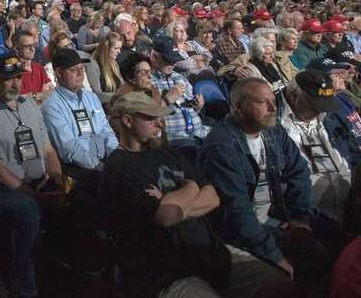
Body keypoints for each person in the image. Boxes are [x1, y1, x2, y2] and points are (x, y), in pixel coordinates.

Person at [101, 92, 296, 298]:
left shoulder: (169, 153)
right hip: (164, 271)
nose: (160, 124)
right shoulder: (119, 168)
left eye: (159, 117)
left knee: (281, 285)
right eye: (150, 118)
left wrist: (180, 199)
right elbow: (166, 216)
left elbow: (212, 198)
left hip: (211, 254)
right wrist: (191, 188)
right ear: (127, 120)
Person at [197, 78, 331, 289]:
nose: (272, 107)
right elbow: (237, 212)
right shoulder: (221, 146)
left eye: (272, 100)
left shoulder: (272, 131)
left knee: (323, 251)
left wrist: (299, 218)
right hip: (236, 235)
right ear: (238, 106)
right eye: (262, 102)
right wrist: (275, 257)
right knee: (284, 281)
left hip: (274, 221)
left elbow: (299, 171)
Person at [0, 51, 65, 298]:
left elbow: (47, 148)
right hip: (1, 187)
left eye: (18, 78)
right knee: (27, 211)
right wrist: (30, 193)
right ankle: (24, 288)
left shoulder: (30, 104)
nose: (15, 84)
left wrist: (57, 180)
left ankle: (60, 273)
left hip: (37, 181)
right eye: (8, 79)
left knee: (74, 196)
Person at [279, 70, 353, 227]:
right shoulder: (272, 119)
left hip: (348, 207)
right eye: (315, 105)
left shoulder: (331, 112)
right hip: (307, 217)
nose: (320, 110)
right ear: (293, 95)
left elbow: (351, 146)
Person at [41, 49, 118, 177]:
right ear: (59, 73)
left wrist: (115, 158)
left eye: (81, 69)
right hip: (79, 170)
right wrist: (100, 168)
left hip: (105, 163)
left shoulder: (91, 97)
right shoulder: (51, 106)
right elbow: (67, 148)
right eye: (73, 70)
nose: (80, 73)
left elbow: (106, 130)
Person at [150, 36, 209, 157]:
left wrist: (197, 105)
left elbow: (190, 108)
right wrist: (167, 99)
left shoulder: (180, 78)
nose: (172, 63)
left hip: (199, 132)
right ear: (155, 57)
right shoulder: (149, 82)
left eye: (174, 60)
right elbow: (147, 117)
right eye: (168, 60)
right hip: (176, 138)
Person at [13, 29, 52, 104]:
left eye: (33, 45)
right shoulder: (13, 71)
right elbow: (17, 99)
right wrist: (36, 96)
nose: (32, 49)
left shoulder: (39, 68)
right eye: (28, 46)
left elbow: (49, 91)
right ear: (17, 49)